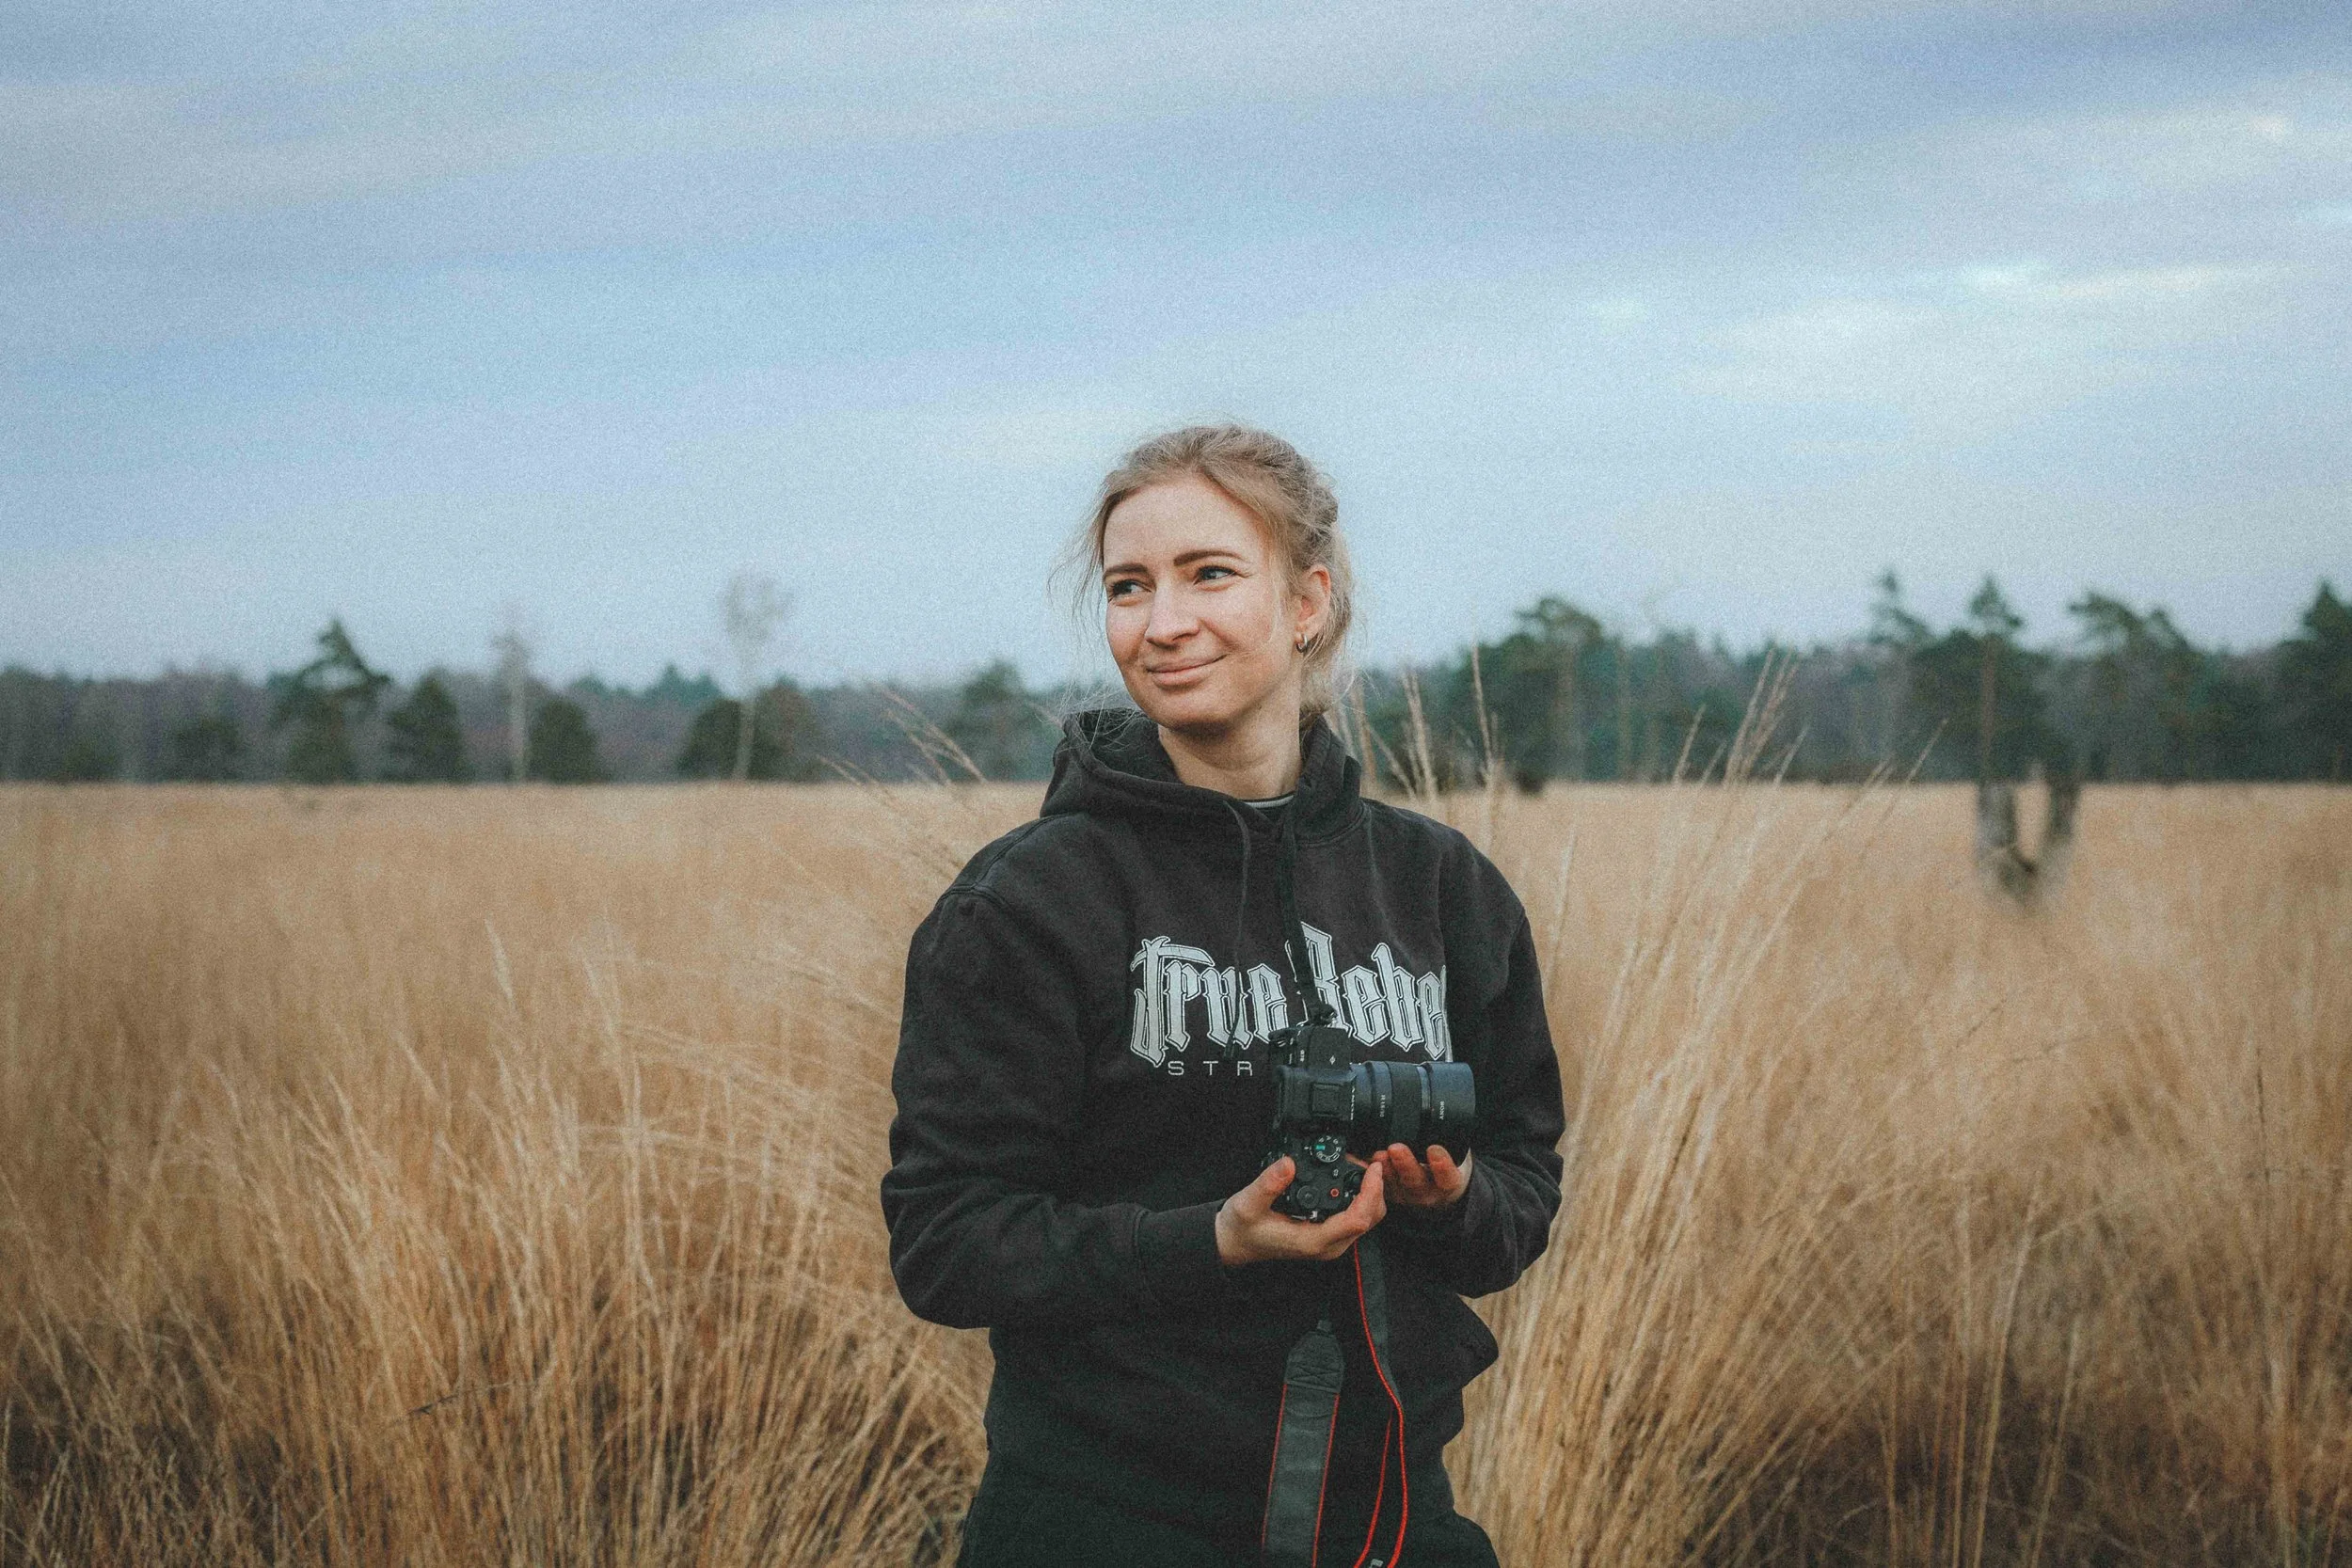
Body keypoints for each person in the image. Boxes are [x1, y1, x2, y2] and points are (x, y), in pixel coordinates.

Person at [882, 424, 1565, 1567]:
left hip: (1389, 1515)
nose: (1161, 622)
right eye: (1127, 586)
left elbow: (1523, 1188)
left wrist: (1447, 1201)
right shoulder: (1032, 900)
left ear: (1307, 601)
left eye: (1208, 573)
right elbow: (945, 1240)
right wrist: (1211, 1240)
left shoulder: (1439, 886)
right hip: (1102, 1522)